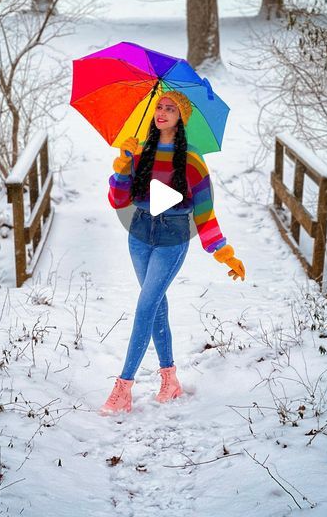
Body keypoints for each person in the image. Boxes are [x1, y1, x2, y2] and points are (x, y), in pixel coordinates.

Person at [99, 90, 245, 416]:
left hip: (171, 239)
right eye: (159, 107)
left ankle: (123, 387)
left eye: (170, 109)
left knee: (145, 306)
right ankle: (170, 380)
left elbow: (205, 212)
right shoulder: (141, 152)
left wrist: (223, 252)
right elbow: (118, 200)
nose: (162, 112)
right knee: (156, 307)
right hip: (138, 235)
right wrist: (123, 166)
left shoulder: (192, 160)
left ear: (182, 118)